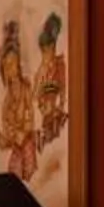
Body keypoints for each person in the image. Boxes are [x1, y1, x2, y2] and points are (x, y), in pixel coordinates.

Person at [0, 16, 37, 182]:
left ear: (19, 64)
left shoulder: (26, 89)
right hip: (17, 150)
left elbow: (30, 121)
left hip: (28, 147)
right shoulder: (6, 104)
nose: (10, 69)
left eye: (13, 63)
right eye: (6, 66)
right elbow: (4, 142)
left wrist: (23, 133)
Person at [36, 8, 69, 154]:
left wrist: (59, 106)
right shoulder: (41, 72)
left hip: (56, 112)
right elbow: (36, 95)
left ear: (53, 48)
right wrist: (42, 107)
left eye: (47, 51)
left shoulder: (60, 65)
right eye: (43, 52)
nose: (45, 56)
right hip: (45, 114)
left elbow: (63, 89)